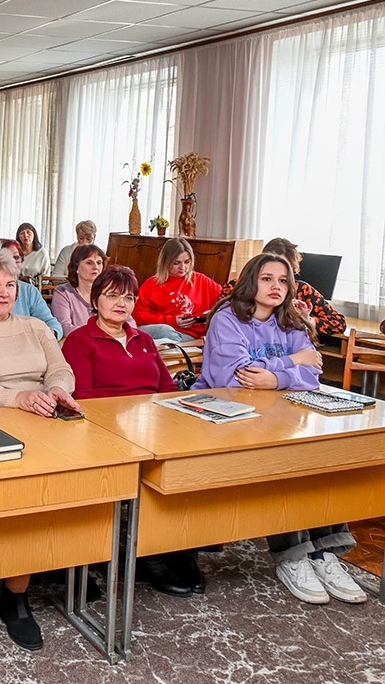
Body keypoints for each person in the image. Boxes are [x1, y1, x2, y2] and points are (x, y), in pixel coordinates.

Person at [192, 253, 364, 605]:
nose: (276, 287)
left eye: (283, 281)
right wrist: (290, 363)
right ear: (251, 281)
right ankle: (294, 555)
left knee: (320, 454)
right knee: (282, 460)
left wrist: (274, 378)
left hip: (279, 411)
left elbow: (313, 374)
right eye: (268, 278)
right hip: (225, 417)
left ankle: (324, 552)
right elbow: (233, 378)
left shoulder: (292, 320)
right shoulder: (228, 318)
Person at [0, 248, 81, 651]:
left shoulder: (35, 326)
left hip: (46, 414)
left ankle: (62, 564)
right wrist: (19, 398)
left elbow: (61, 369)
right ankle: (16, 595)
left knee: (82, 476)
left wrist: (57, 390)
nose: (3, 292)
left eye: (10, 284)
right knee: (26, 496)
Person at [61, 266, 198, 597]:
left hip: (153, 425)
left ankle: (180, 544)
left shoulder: (145, 338)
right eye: (112, 295)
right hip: (108, 432)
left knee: (188, 463)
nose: (121, 303)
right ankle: (147, 553)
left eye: (128, 297)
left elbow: (166, 387)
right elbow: (86, 399)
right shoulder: (81, 340)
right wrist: (133, 417)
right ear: (95, 299)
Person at [221, 237, 346, 341]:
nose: (276, 286)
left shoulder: (303, 290)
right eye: (267, 278)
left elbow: (338, 322)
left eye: (283, 278)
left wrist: (306, 321)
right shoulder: (236, 286)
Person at [132, 236, 222, 342]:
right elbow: (137, 316)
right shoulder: (151, 284)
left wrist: (209, 315)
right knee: (159, 331)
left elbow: (224, 300)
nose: (182, 267)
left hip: (193, 336)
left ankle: (181, 348)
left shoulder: (202, 280)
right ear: (166, 262)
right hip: (167, 332)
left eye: (187, 262)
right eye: (176, 263)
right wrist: (171, 320)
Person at [51, 244, 133, 337]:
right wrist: (101, 334)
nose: (95, 267)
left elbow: (130, 323)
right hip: (80, 345)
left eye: (99, 263)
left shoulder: (110, 292)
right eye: (89, 263)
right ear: (76, 267)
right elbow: (65, 328)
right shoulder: (63, 292)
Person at [0, 239, 63, 339]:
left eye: (16, 258)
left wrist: (51, 333)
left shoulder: (29, 291)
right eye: (6, 258)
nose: (12, 263)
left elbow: (52, 323)